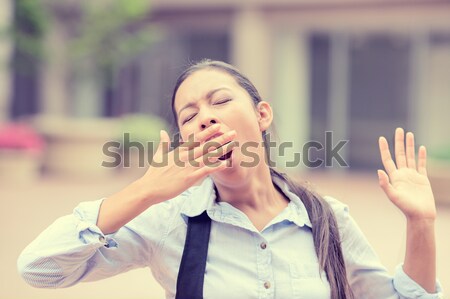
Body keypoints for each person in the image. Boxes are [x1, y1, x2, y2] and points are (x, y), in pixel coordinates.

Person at [17, 60, 444, 299]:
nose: (206, 117)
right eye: (189, 116)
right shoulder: (168, 222)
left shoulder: (328, 220)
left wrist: (421, 224)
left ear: (262, 116)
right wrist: (144, 191)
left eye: (220, 101)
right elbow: (40, 269)